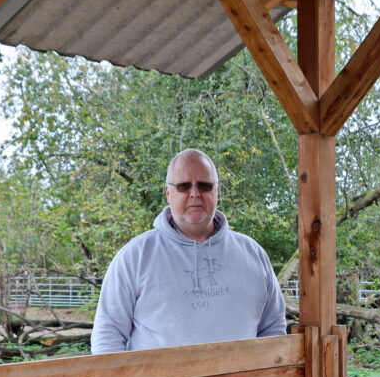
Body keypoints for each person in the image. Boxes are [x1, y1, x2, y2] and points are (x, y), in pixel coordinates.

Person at [91, 149, 287, 353]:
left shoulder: (252, 253)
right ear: (168, 192)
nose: (195, 193)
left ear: (217, 190)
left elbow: (273, 328)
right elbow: (108, 335)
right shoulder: (135, 256)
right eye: (184, 186)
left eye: (205, 185)